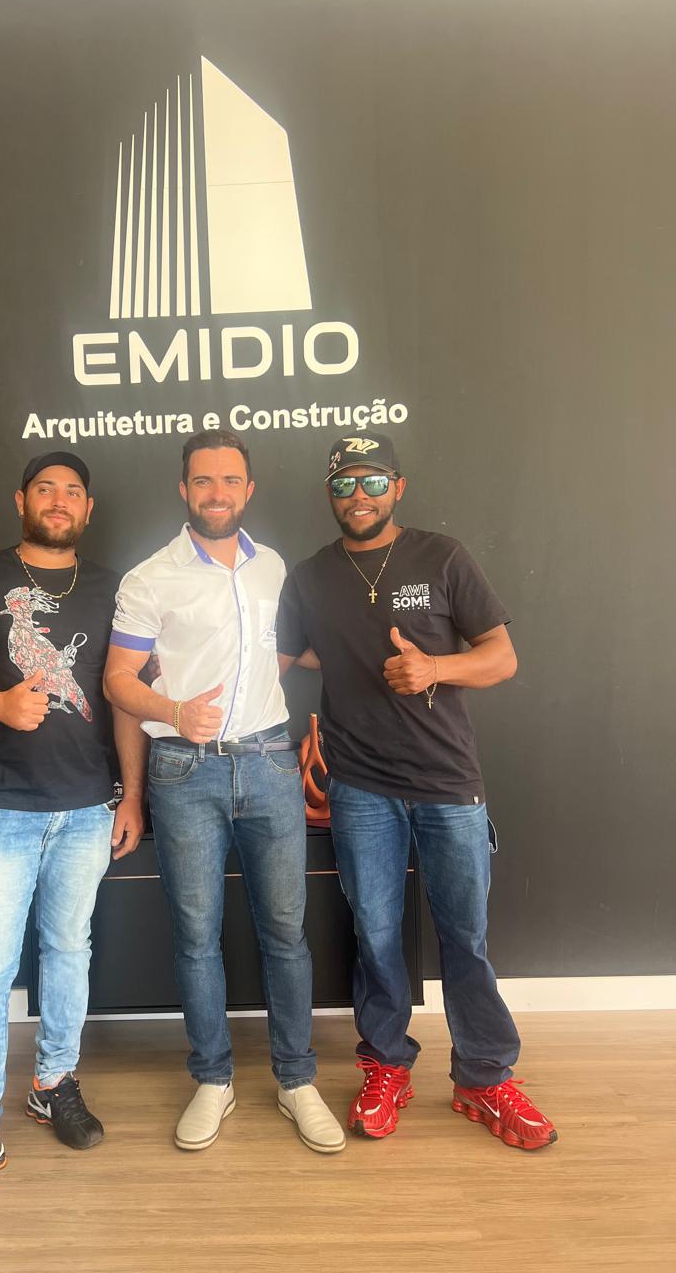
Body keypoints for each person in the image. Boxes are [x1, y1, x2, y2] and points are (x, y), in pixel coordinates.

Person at [277, 434, 557, 1151]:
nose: (359, 496)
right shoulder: (310, 576)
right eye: (345, 483)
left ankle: (484, 1078)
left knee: (465, 937)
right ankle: (386, 1066)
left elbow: (501, 657)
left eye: (373, 481)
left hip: (447, 783)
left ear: (397, 488)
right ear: (330, 493)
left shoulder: (443, 556)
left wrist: (435, 668)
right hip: (360, 787)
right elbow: (284, 654)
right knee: (375, 935)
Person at [0, 452, 146, 1225]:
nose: (59, 500)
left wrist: (132, 795)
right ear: (22, 500)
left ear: (88, 507)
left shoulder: (112, 587)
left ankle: (52, 1084)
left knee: (70, 952)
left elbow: (122, 698)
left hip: (87, 810)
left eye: (72, 491)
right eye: (46, 488)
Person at [103, 432, 345, 1155]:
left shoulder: (273, 568)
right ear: (184, 490)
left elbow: (277, 653)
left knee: (286, 935)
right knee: (196, 937)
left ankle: (296, 1080)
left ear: (249, 490)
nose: (217, 493)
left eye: (230, 480)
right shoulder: (150, 577)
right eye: (203, 481)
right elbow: (116, 682)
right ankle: (213, 1079)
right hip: (184, 770)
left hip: (270, 764)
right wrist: (174, 711)